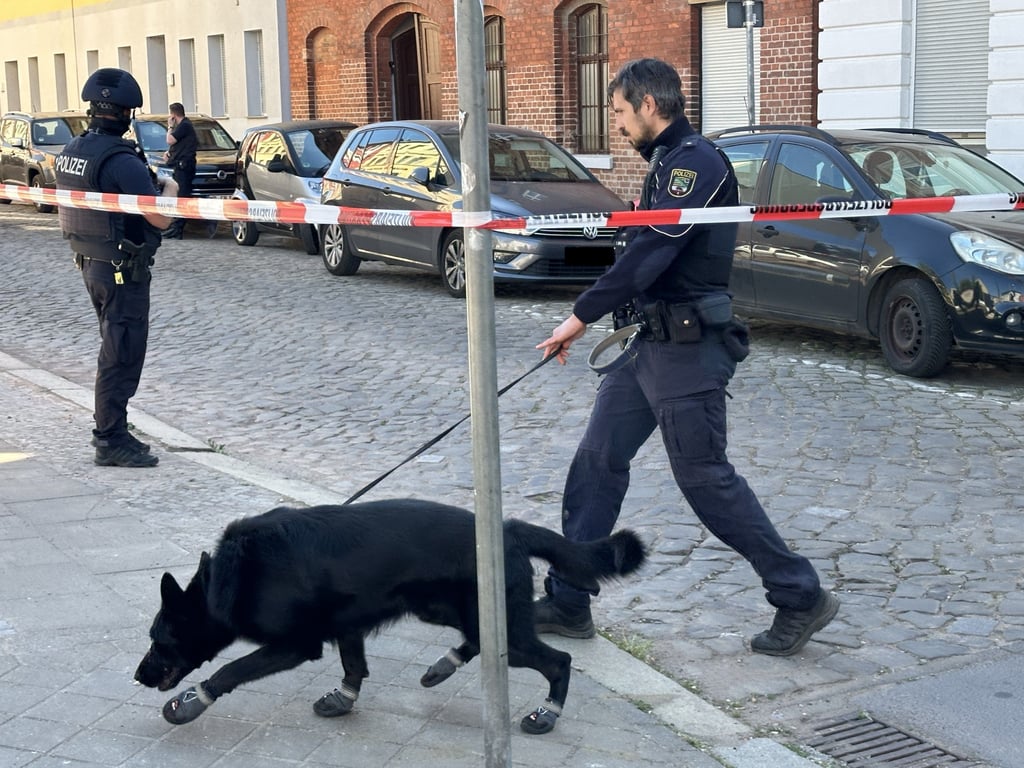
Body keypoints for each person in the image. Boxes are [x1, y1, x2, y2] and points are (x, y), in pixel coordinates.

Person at [534, 58, 839, 657]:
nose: (616, 125)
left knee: (706, 482)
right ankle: (570, 601)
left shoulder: (696, 163)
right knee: (596, 464)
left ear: (650, 104)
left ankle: (800, 594)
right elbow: (643, 254)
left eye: (620, 111)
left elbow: (650, 254)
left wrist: (579, 315)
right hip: (647, 347)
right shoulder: (669, 164)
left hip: (689, 351)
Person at [56, 67, 179, 468]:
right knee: (121, 354)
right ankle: (109, 439)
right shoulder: (121, 159)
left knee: (115, 348)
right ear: (127, 114)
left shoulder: (74, 150)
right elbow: (159, 218)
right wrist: (171, 188)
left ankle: (116, 429)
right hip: (121, 269)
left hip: (92, 261)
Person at [160, 102, 197, 239]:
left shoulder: (184, 126)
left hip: (184, 167)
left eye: (171, 116)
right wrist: (169, 154)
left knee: (182, 197)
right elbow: (179, 145)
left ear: (174, 115)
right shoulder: (184, 127)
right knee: (179, 196)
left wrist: (169, 126)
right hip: (181, 166)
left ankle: (178, 229)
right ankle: (175, 227)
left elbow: (170, 140)